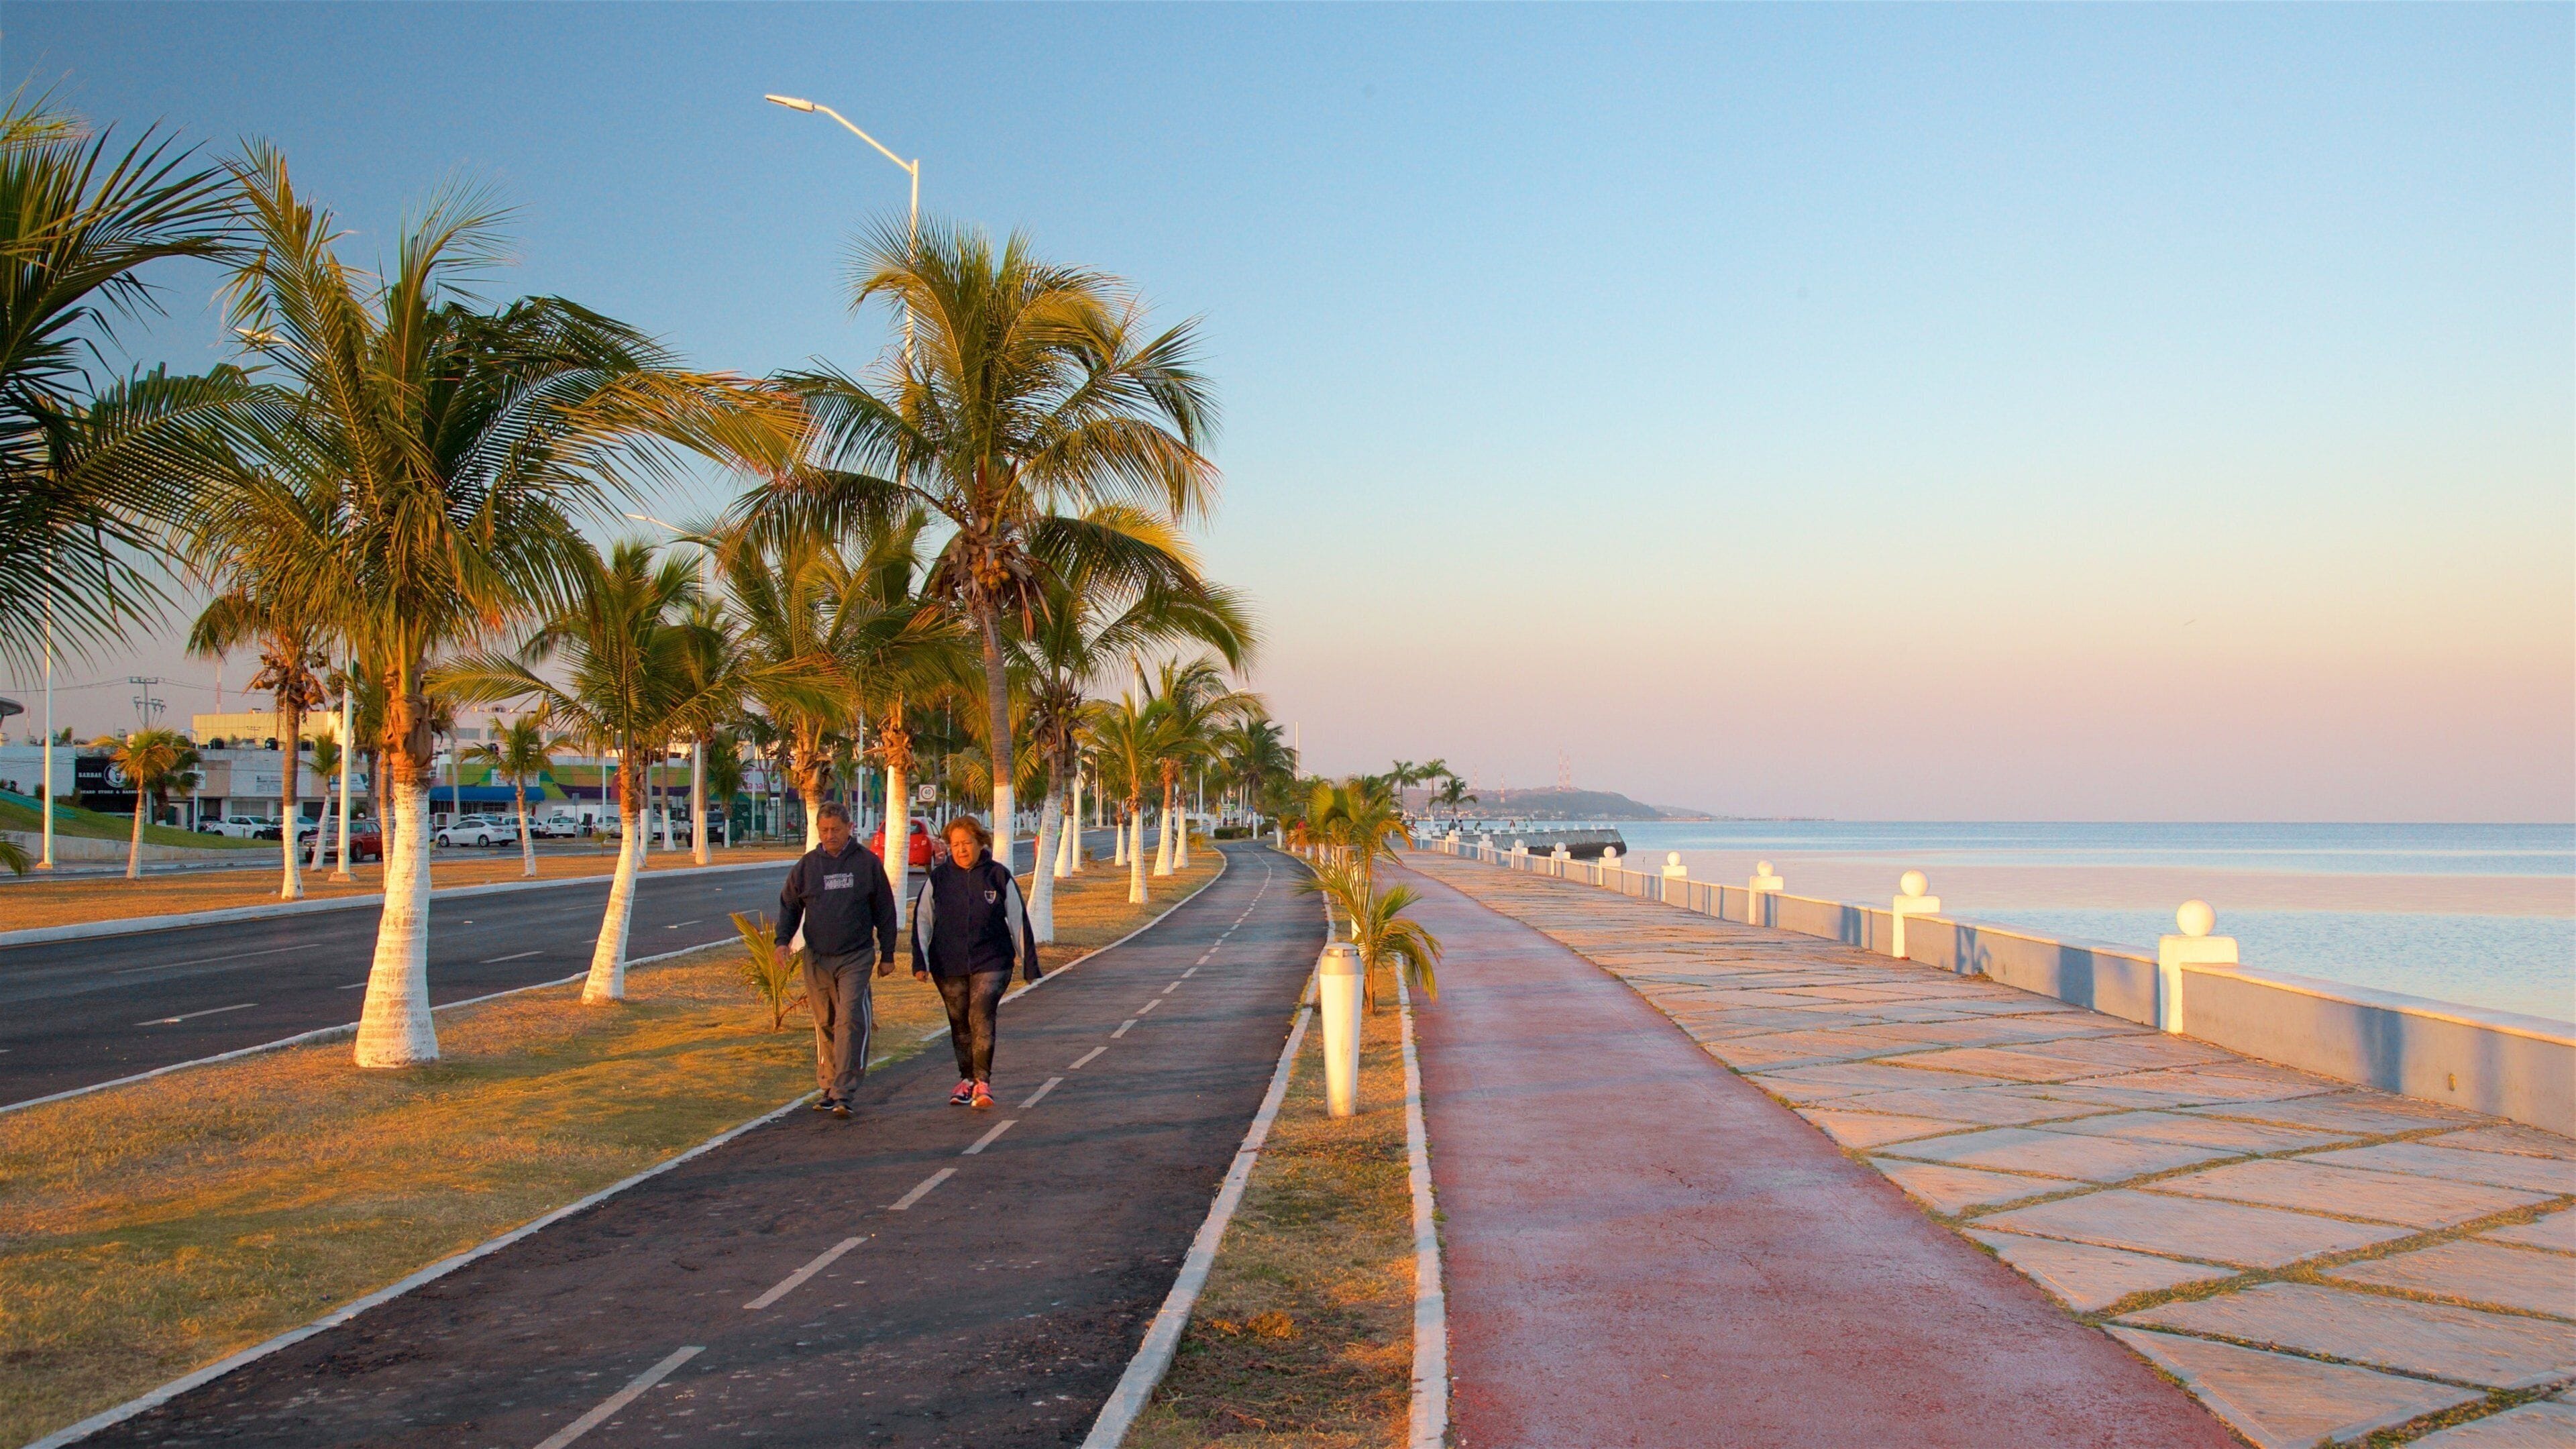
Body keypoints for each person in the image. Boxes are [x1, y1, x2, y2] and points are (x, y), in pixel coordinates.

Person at [775, 801, 899, 1120]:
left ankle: (845, 1091)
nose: (830, 835)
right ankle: (829, 1087)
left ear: (849, 829)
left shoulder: (867, 864)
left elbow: (885, 910)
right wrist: (781, 942)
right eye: (825, 830)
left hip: (855, 956)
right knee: (826, 1022)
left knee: (850, 1019)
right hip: (817, 958)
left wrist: (888, 954)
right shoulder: (807, 866)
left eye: (836, 830)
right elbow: (790, 906)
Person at [910, 815, 1042, 1110]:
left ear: (980, 842)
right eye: (955, 844)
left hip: (993, 960)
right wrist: (920, 961)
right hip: (948, 964)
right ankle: (966, 1080)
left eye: (966, 843)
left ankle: (983, 1082)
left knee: (981, 1015)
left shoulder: (997, 875)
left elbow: (1018, 920)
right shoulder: (939, 880)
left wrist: (1029, 964)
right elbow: (922, 921)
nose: (961, 850)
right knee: (959, 1023)